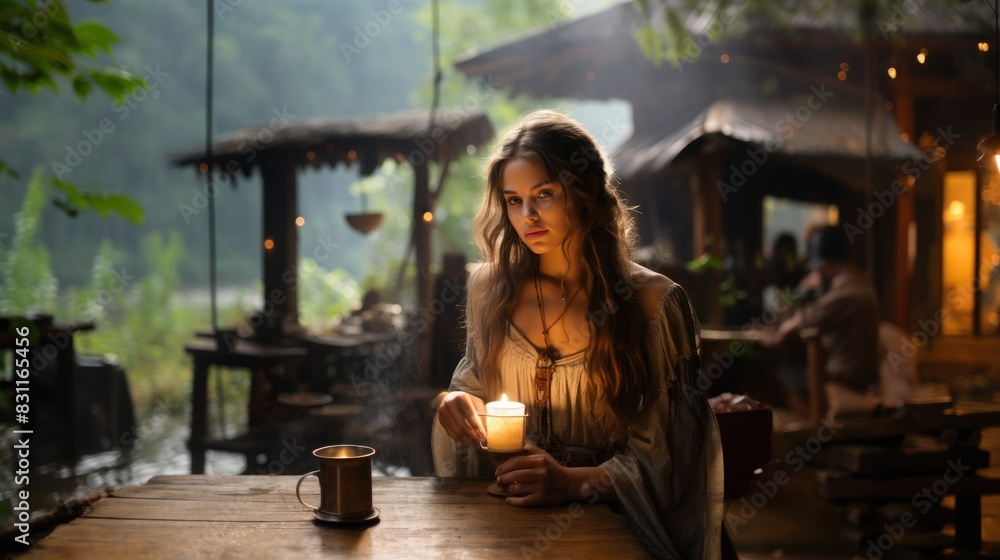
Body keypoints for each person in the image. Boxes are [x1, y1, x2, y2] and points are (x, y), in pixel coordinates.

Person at [432, 110, 724, 558]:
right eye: (513, 200)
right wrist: (455, 403)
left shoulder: (652, 302)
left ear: (584, 192)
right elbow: (472, 386)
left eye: (543, 194)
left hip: (615, 528)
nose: (526, 215)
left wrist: (572, 481)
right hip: (508, 524)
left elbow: (675, 457)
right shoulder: (490, 289)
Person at [758, 225, 881, 421]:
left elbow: (789, 330)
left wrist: (804, 287)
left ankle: (812, 432)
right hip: (858, 380)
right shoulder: (864, 287)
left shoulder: (848, 294)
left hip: (841, 384)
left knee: (779, 377)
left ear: (828, 266)